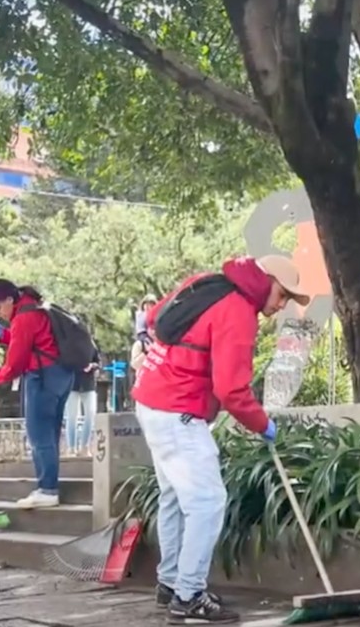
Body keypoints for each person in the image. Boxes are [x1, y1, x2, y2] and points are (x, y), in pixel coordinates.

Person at [131, 255, 309, 624]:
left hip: (150, 399)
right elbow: (231, 389)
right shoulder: (239, 311)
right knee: (208, 502)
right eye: (282, 295)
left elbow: (153, 318)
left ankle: (170, 582)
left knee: (174, 496)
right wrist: (262, 424)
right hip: (180, 410)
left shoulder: (207, 282)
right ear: (266, 280)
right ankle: (189, 595)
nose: (279, 307)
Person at [0, 279, 74, 509]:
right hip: (62, 374)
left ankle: (47, 489)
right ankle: (49, 484)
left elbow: (16, 363)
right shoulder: (34, 307)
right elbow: (34, 341)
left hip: (42, 376)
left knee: (38, 434)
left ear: (10, 300)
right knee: (49, 433)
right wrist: (4, 335)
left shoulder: (23, 318)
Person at [64, 332, 101, 456]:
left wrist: (92, 366)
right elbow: (63, 363)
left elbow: (98, 362)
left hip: (88, 384)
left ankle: (85, 446)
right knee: (72, 417)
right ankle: (71, 447)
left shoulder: (91, 344)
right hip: (72, 384)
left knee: (90, 414)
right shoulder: (68, 345)